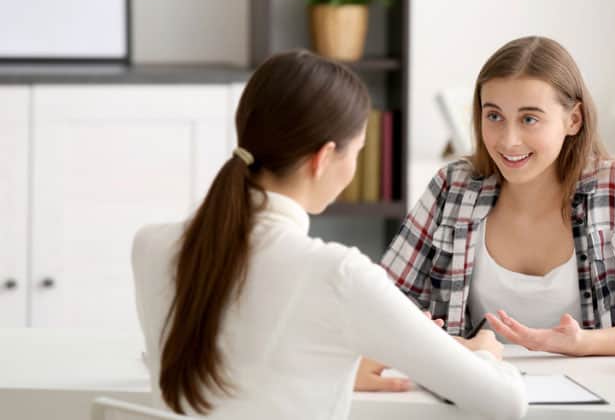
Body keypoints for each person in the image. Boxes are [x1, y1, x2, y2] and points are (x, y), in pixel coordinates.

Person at [131, 50, 527, 420]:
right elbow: (505, 403)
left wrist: (344, 363)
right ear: (323, 159)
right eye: (356, 153)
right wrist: (486, 354)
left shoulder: (150, 246)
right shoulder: (339, 274)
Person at [381, 36, 615, 356]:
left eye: (529, 119)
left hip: (597, 400)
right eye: (494, 116)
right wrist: (448, 344)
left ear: (573, 120)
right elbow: (380, 304)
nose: (509, 140)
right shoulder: (453, 188)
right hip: (477, 396)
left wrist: (584, 343)